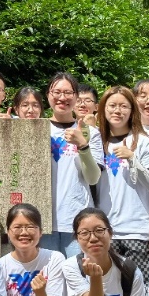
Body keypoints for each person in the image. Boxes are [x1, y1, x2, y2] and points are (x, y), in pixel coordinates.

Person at [97, 86, 149, 282]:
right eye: (112, 106)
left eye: (124, 106)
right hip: (106, 230)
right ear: (103, 109)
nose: (118, 111)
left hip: (138, 231)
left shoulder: (142, 142)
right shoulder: (98, 141)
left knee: (140, 290)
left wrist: (132, 158)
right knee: (111, 292)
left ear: (132, 110)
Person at [44, 71, 103, 257]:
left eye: (68, 93)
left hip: (78, 220)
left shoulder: (90, 132)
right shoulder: (36, 129)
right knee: (47, 281)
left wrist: (82, 146)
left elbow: (93, 178)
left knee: (80, 278)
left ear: (76, 97)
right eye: (57, 92)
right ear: (48, 96)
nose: (62, 98)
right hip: (43, 221)